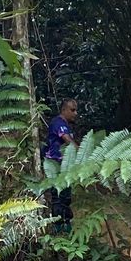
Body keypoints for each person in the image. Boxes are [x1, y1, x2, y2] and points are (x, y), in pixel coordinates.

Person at [44, 96, 78, 227]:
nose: (75, 113)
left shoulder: (65, 125)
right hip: (55, 165)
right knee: (58, 196)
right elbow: (68, 141)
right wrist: (81, 153)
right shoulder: (58, 123)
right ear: (64, 110)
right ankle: (58, 226)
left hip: (64, 166)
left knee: (65, 196)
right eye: (72, 110)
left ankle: (66, 223)